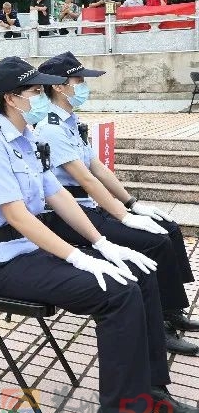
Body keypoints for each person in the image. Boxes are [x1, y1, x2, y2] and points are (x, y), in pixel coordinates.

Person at [0, 56, 199, 413]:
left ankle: (152, 391)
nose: (41, 97)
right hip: (2, 260)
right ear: (10, 97)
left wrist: (104, 244)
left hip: (31, 249)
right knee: (117, 294)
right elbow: (20, 218)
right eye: (35, 91)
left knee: (137, 274)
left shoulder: (26, 140)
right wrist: (80, 258)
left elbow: (57, 196)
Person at [35, 51, 199, 356]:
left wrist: (133, 203)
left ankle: (171, 308)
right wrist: (124, 216)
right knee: (153, 242)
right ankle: (159, 326)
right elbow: (87, 181)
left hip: (89, 207)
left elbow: (98, 168)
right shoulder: (51, 128)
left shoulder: (71, 121)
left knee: (169, 228)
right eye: (78, 80)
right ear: (59, 86)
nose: (83, 86)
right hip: (70, 215)